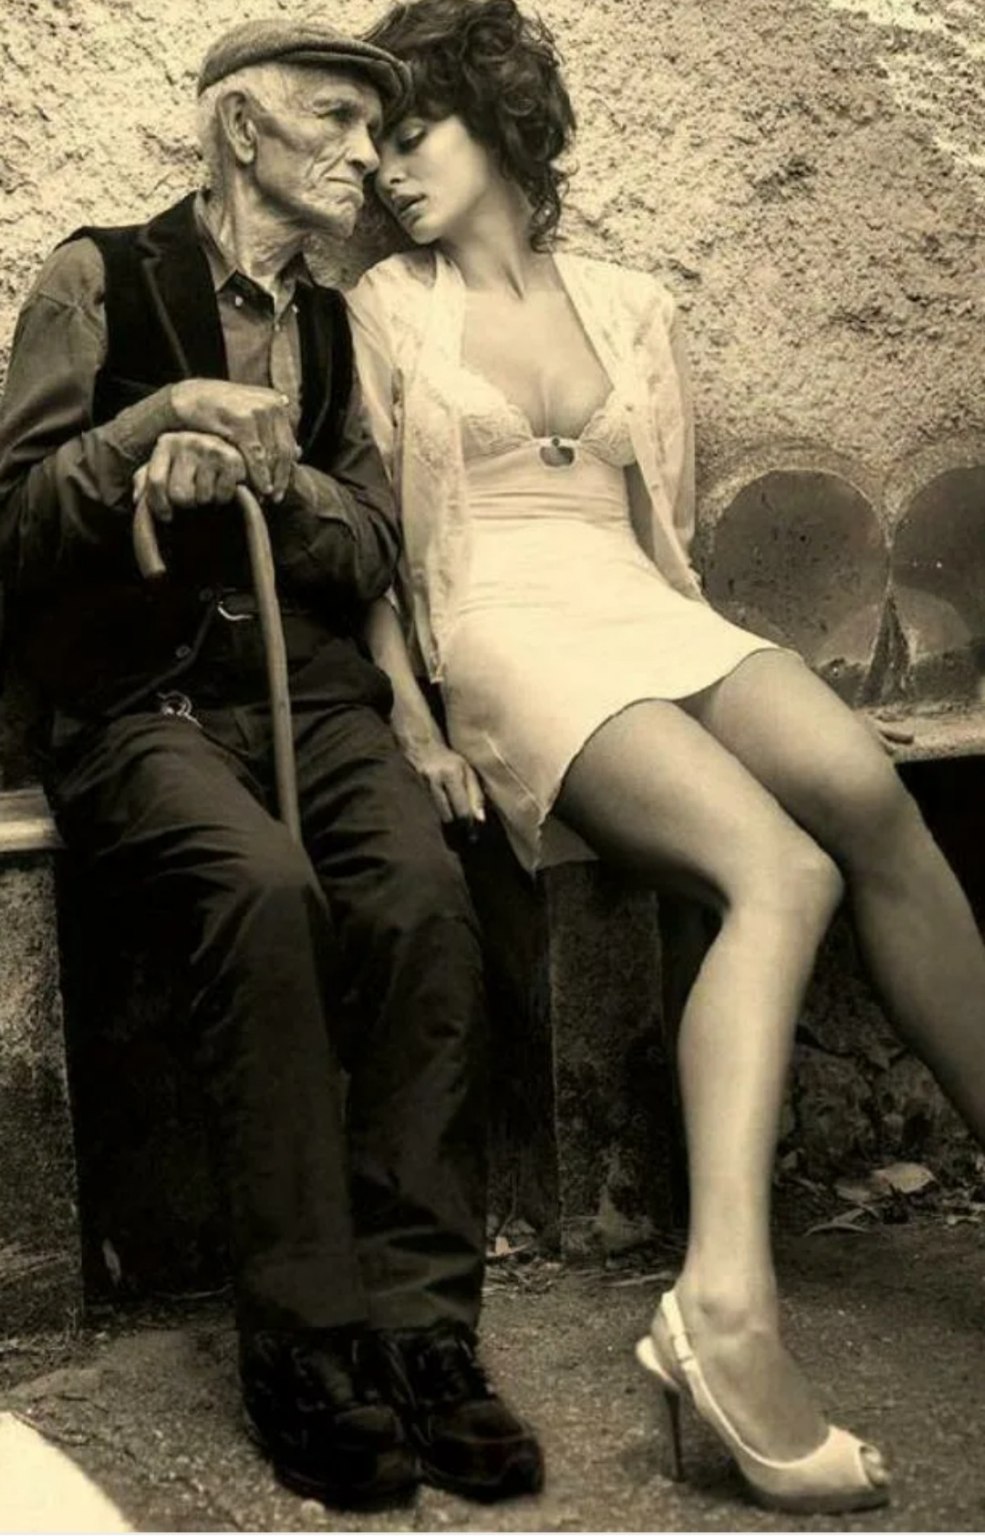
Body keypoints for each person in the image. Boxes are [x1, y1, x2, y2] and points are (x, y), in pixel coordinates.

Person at [347, 0, 985, 1513]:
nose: (386, 171)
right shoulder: (384, 307)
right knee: (780, 872)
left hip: (643, 613)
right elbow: (376, 546)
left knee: (868, 795)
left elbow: (665, 541)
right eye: (374, 149)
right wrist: (415, 714)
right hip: (504, 632)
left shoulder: (629, 305)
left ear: (500, 123)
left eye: (412, 134)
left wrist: (763, 692)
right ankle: (723, 1312)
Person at [0, 18, 543, 1509]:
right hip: (140, 711)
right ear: (242, 132)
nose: (365, 156)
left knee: (424, 903)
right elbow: (12, 532)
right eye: (334, 121)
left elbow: (371, 543)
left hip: (311, 704)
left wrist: (274, 476)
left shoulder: (333, 327)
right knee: (261, 894)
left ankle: (423, 1335)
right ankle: (305, 1346)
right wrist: (152, 430)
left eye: (376, 130)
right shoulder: (96, 276)